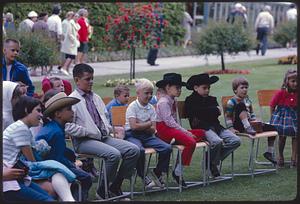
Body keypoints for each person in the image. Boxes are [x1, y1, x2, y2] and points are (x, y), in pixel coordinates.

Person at [68, 63, 140, 199]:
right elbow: (67, 126)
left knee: (133, 150)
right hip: (84, 141)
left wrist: (106, 129)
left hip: (103, 137)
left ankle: (115, 186)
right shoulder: (72, 100)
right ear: (77, 80)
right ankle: (102, 190)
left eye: (92, 78)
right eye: (87, 79)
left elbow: (105, 118)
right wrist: (87, 131)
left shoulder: (96, 97)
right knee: (114, 154)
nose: (91, 82)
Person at [3, 96, 75, 201]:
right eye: (38, 110)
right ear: (26, 110)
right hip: (10, 181)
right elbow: (32, 161)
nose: (41, 115)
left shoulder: (22, 128)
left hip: (16, 176)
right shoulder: (21, 128)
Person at [35, 92, 92, 201]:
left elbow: (59, 151)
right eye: (69, 109)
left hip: (47, 163)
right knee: (86, 177)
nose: (72, 112)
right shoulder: (56, 132)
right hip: (46, 167)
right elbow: (57, 159)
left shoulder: (54, 127)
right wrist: (72, 165)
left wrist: (70, 156)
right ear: (58, 114)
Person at [185, 73, 241, 177]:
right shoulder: (190, 100)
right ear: (196, 88)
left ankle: (210, 161)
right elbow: (193, 113)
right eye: (204, 88)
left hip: (217, 127)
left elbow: (217, 112)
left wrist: (204, 112)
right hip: (202, 129)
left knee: (236, 140)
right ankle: (212, 164)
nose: (207, 90)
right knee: (217, 141)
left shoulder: (212, 99)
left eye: (209, 88)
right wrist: (211, 111)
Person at [155, 73, 206, 186]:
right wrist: (185, 132)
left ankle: (180, 145)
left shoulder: (173, 100)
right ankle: (178, 172)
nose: (179, 90)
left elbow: (175, 121)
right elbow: (169, 122)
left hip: (173, 129)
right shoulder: (163, 102)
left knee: (201, 133)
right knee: (191, 142)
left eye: (180, 88)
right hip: (164, 130)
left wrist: (184, 132)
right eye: (177, 88)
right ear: (168, 88)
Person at [124, 78, 172, 189]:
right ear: (138, 93)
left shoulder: (151, 108)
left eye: (151, 93)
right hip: (132, 135)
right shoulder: (132, 107)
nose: (149, 95)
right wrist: (148, 123)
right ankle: (144, 176)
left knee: (167, 148)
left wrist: (143, 124)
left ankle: (158, 172)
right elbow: (133, 127)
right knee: (139, 150)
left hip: (147, 136)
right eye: (146, 93)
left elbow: (153, 129)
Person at [225, 76, 277, 164]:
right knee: (241, 105)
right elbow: (228, 117)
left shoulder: (247, 100)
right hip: (239, 125)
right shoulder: (232, 102)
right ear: (235, 90)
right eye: (242, 88)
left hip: (251, 125)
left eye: (246, 87)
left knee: (273, 128)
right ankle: (248, 127)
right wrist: (230, 128)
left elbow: (251, 113)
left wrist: (256, 121)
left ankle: (269, 152)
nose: (245, 90)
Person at [270, 69, 297, 168]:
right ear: (287, 82)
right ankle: (280, 156)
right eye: (293, 81)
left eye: (297, 81)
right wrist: (273, 118)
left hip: (295, 118)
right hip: (282, 119)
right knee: (282, 135)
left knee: (296, 135)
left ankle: (294, 158)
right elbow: (272, 105)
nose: (295, 83)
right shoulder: (281, 93)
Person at [60, 11, 81, 76]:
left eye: (78, 17)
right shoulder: (70, 23)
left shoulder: (75, 24)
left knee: (72, 56)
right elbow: (69, 34)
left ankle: (67, 69)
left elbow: (76, 31)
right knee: (70, 56)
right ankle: (64, 68)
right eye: (75, 16)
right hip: (70, 42)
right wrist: (74, 40)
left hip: (73, 42)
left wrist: (77, 36)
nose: (77, 18)